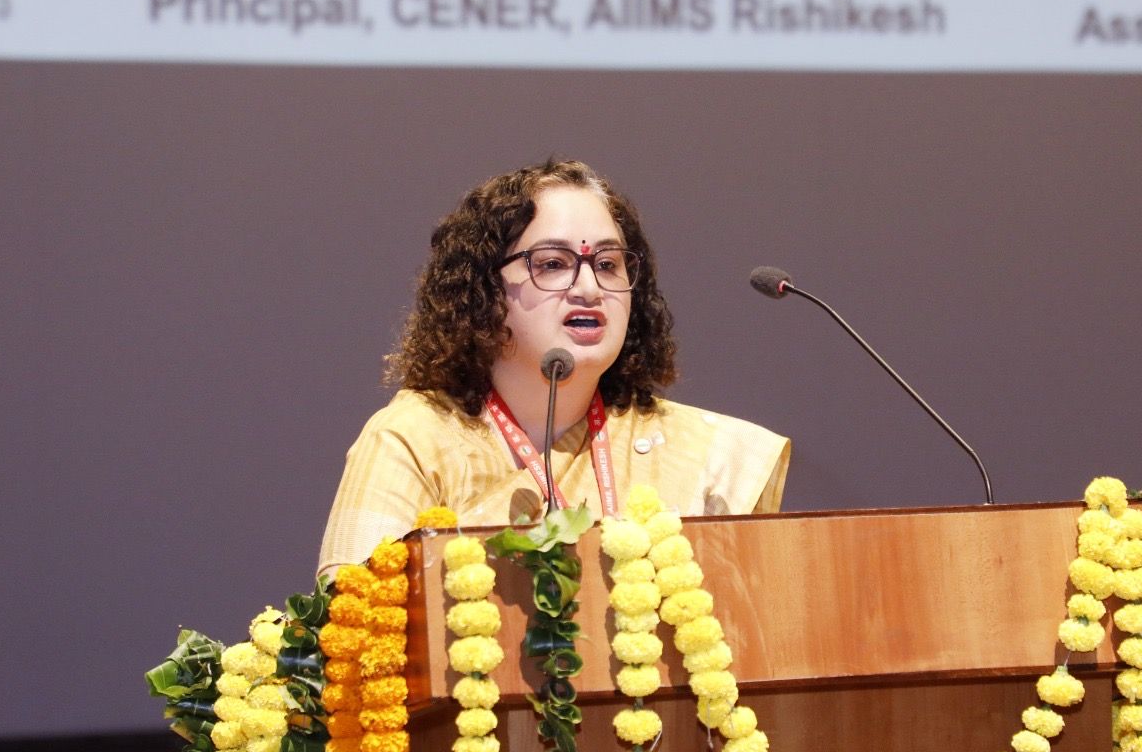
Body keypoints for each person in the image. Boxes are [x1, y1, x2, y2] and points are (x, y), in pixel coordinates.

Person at [318, 159, 790, 575]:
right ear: (483, 291)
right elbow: (354, 621)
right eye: (552, 264)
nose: (589, 288)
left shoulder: (707, 454)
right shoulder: (414, 439)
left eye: (607, 263)